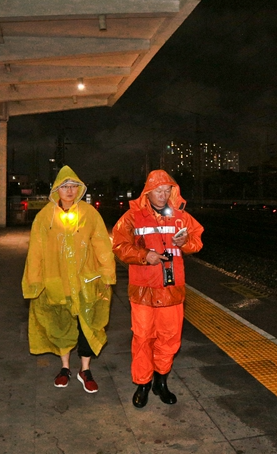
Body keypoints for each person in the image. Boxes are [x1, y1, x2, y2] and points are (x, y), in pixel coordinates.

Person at [112, 170, 204, 408]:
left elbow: (197, 240)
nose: (163, 195)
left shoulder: (180, 216)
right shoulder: (132, 217)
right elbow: (119, 245)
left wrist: (186, 242)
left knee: (170, 338)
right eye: (158, 191)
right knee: (142, 338)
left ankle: (160, 381)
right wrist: (144, 256)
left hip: (172, 290)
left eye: (167, 190)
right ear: (147, 192)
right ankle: (142, 383)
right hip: (143, 290)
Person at [22, 165, 117, 393]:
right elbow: (35, 251)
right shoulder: (45, 216)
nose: (70, 190)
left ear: (79, 189)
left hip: (86, 280)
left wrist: (107, 273)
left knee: (88, 324)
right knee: (60, 322)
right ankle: (65, 368)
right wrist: (35, 281)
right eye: (65, 186)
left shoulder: (89, 213)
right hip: (56, 280)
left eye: (73, 186)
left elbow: (102, 244)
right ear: (57, 189)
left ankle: (85, 369)